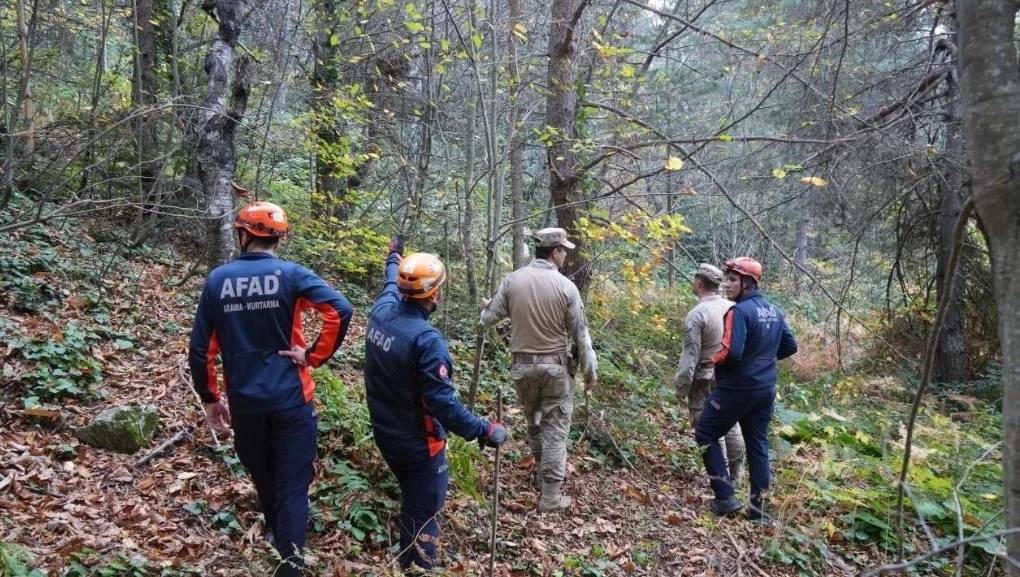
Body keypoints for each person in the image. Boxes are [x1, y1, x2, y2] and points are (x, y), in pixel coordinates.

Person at [189, 201, 354, 576]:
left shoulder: (218, 281)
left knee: (263, 474)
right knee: (293, 486)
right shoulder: (291, 275)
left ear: (243, 234)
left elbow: (201, 350)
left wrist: (211, 400)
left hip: (245, 401)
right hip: (292, 399)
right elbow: (340, 310)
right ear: (278, 239)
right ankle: (289, 562)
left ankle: (279, 540)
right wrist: (313, 356)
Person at [364, 237, 508, 570]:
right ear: (436, 294)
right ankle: (417, 568)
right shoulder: (427, 341)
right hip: (418, 445)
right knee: (423, 513)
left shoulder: (382, 312)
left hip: (386, 433)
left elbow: (390, 280)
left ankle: (408, 562)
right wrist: (484, 429)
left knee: (413, 503)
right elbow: (442, 404)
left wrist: (394, 257)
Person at [480, 228, 597, 513]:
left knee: (535, 422)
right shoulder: (566, 287)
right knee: (555, 429)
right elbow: (580, 334)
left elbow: (487, 319)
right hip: (555, 369)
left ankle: (540, 476)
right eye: (564, 250)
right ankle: (550, 497)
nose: (565, 254)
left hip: (522, 368)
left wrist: (492, 306)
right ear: (555, 252)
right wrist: (589, 371)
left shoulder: (512, 280)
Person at [694, 257, 797, 520]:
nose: (727, 285)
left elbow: (732, 351)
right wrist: (763, 360)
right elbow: (789, 346)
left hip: (737, 387)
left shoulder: (738, 312)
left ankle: (725, 497)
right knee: (758, 444)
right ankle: (760, 510)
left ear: (748, 284)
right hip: (765, 387)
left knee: (705, 431)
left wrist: (712, 360)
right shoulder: (774, 310)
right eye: (727, 279)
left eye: (733, 280)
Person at [674, 264, 745, 484]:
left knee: (708, 426)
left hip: (705, 377)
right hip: (731, 377)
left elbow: (690, 356)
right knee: (731, 423)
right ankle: (737, 475)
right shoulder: (733, 307)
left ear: (699, 282)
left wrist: (681, 386)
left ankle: (719, 477)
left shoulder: (697, 314)